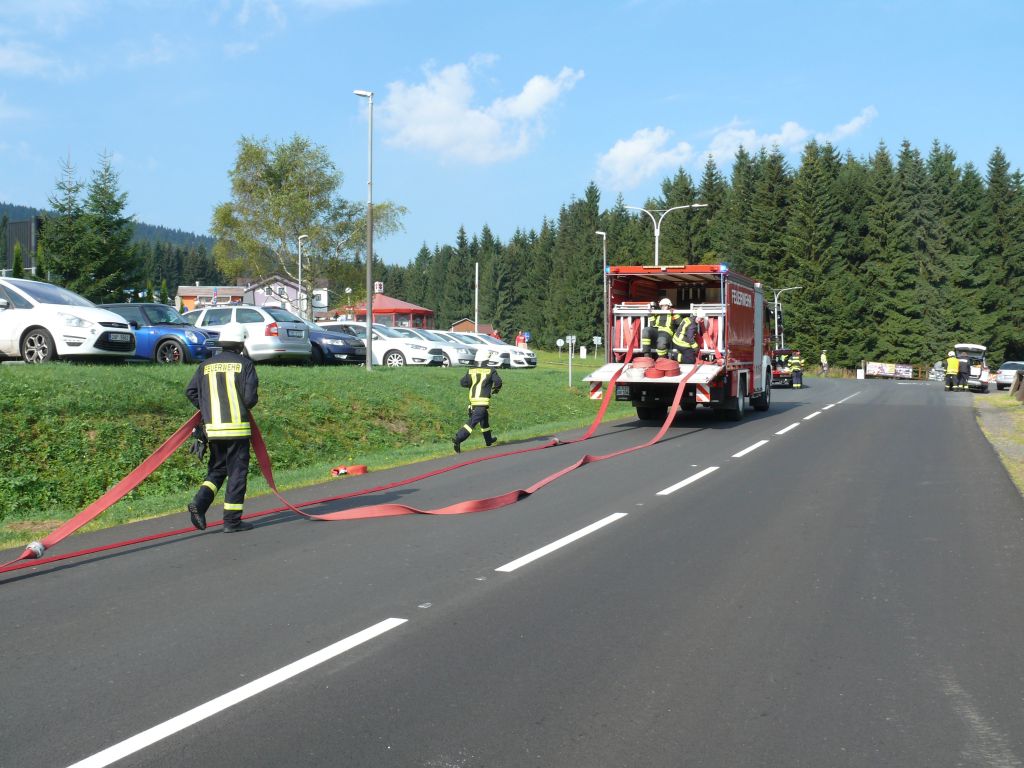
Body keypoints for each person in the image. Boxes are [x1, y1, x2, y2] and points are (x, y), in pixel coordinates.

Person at [185, 324, 260, 533]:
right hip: (237, 429)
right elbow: (249, 398)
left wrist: (208, 409)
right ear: (241, 343)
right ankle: (232, 521)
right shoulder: (245, 365)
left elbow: (190, 391)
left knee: (218, 469)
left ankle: (199, 504)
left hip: (213, 430)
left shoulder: (205, 366)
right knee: (237, 473)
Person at [453, 349, 503, 453]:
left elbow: (463, 383)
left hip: (473, 403)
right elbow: (498, 382)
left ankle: (488, 440)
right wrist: (496, 389)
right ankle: (458, 439)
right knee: (472, 423)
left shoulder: (471, 370)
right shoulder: (490, 370)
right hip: (482, 403)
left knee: (484, 420)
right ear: (486, 359)